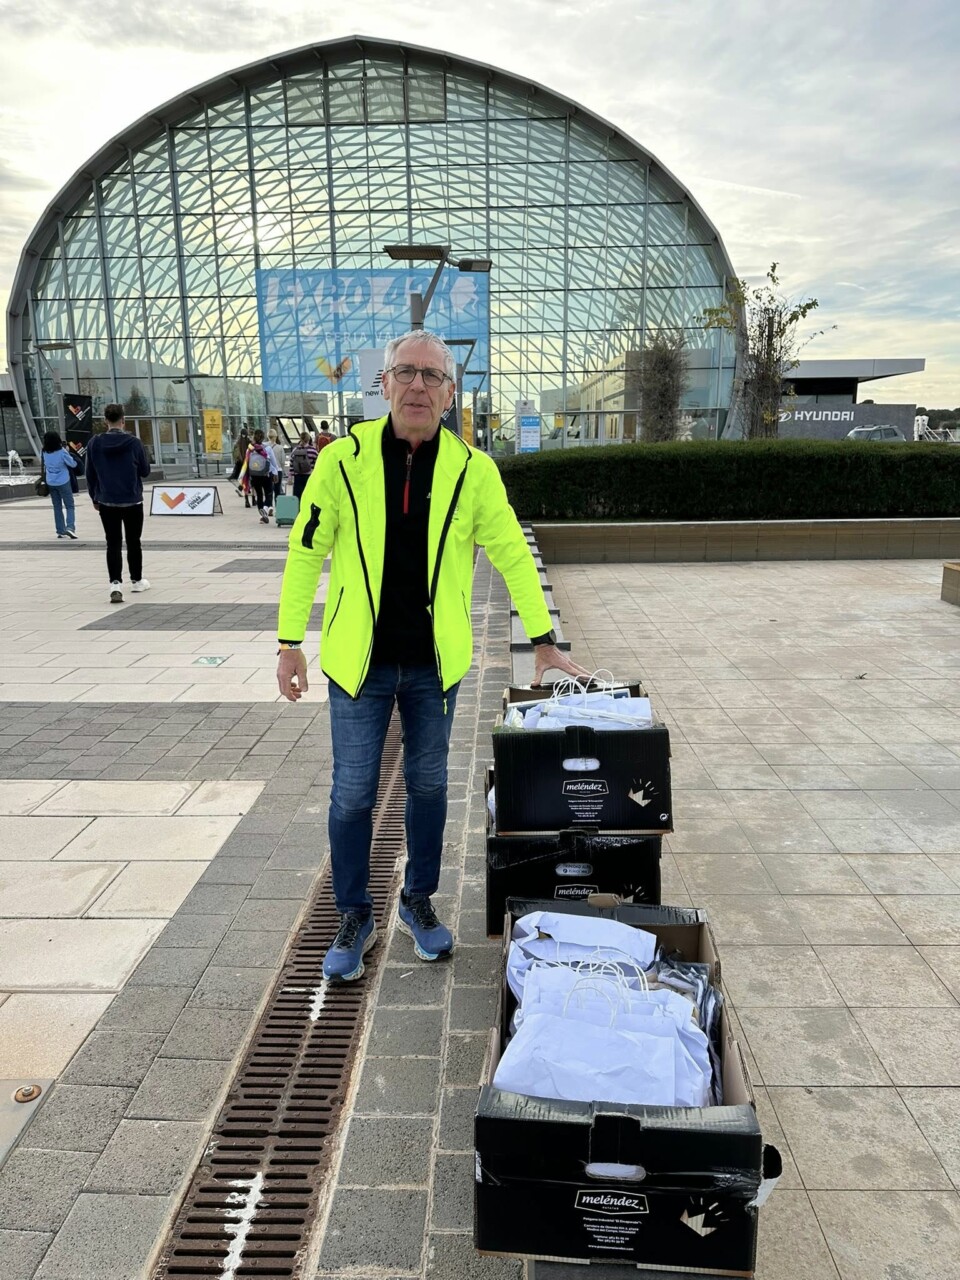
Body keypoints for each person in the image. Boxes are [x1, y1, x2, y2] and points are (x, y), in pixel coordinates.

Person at [276, 329, 590, 982]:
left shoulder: (473, 472)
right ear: (384, 383)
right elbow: (307, 551)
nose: (417, 385)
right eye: (406, 372)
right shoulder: (342, 461)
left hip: (433, 667)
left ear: (450, 395)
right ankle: (353, 914)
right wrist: (289, 643)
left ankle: (417, 900)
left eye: (432, 377)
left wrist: (543, 639)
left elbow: (511, 552)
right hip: (356, 664)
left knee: (428, 786)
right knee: (352, 794)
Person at [85, 404, 151, 603]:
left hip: (107, 500)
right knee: (133, 542)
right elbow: (145, 471)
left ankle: (115, 584)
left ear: (106, 420)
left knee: (112, 543)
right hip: (132, 500)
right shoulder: (134, 443)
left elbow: (90, 474)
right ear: (123, 420)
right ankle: (137, 580)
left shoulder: (94, 443)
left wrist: (94, 497)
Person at [41, 431, 78, 540]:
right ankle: (70, 527)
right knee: (69, 505)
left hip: (50, 482)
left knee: (57, 507)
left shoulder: (43, 452)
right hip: (63, 481)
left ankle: (60, 530)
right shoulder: (62, 451)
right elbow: (73, 464)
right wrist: (68, 452)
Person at [240, 429, 279, 524]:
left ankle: (262, 516)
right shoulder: (267, 448)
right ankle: (265, 509)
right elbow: (273, 463)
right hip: (266, 475)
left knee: (259, 494)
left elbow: (246, 462)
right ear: (263, 437)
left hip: (254, 475)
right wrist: (276, 473)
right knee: (269, 493)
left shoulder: (250, 449)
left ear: (254, 437)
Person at [288, 431, 318, 502]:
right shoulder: (313, 450)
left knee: (297, 497)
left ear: (300, 439)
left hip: (297, 476)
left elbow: (291, 464)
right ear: (308, 439)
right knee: (309, 496)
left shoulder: (295, 450)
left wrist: (290, 476)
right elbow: (317, 463)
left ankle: (298, 508)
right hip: (309, 476)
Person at [267, 427, 287, 501]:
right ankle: (277, 505)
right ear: (275, 437)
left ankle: (269, 505)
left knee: (269, 490)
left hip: (269, 471)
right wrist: (282, 469)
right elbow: (283, 461)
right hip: (278, 470)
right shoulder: (280, 448)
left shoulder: (265, 446)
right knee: (277, 490)